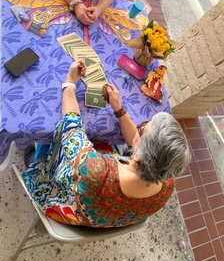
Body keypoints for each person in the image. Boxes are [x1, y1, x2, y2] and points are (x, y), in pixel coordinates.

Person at [22, 59, 191, 228]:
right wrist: (118, 109)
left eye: (142, 129)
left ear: (140, 153)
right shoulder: (166, 183)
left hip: (68, 209)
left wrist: (70, 83)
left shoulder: (94, 170)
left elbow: (70, 126)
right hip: (104, 220)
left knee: (41, 146)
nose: (140, 126)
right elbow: (136, 144)